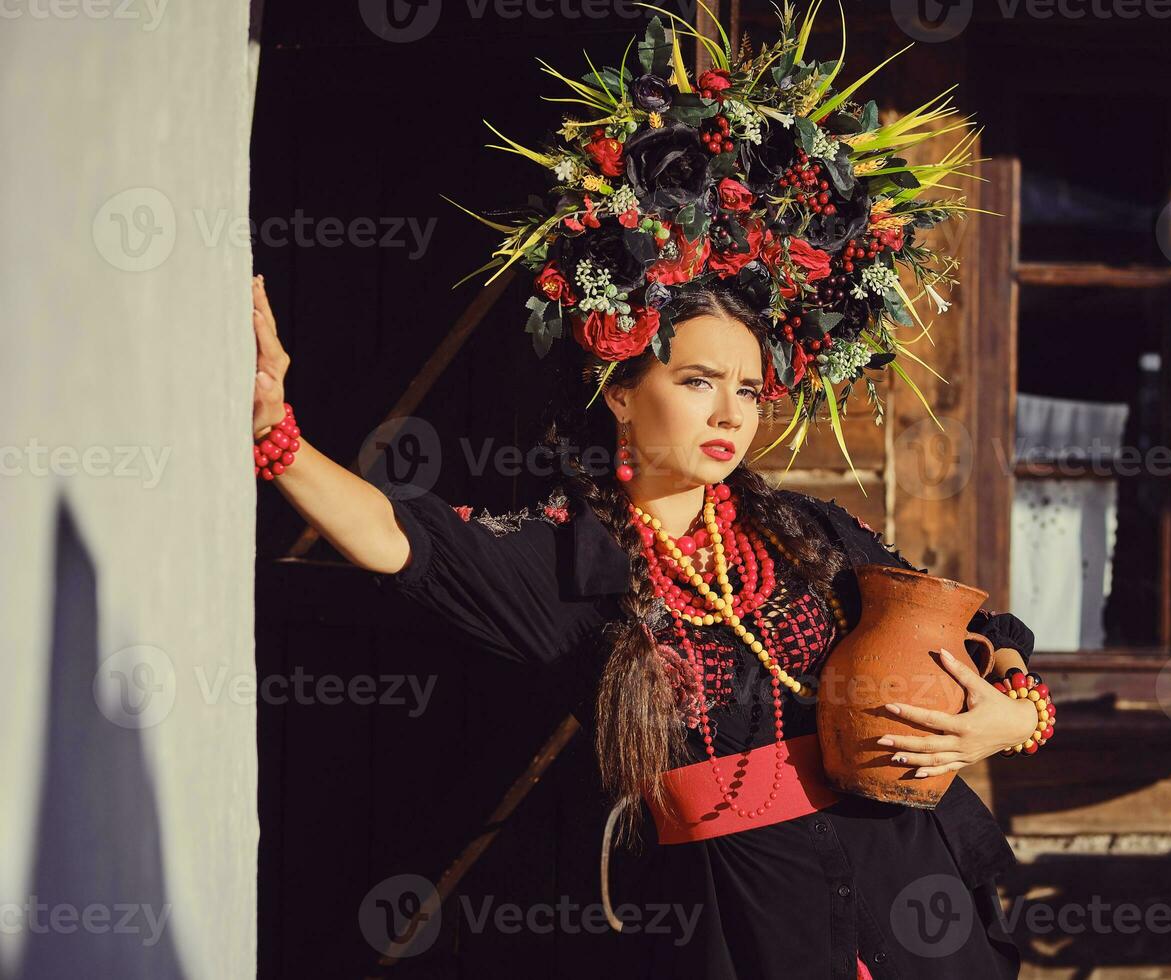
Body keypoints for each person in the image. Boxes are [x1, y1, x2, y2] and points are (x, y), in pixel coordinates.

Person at [248, 7, 1058, 975]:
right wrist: (275, 435)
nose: (732, 413)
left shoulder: (807, 533)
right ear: (623, 393)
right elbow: (397, 535)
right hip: (743, 924)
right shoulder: (567, 558)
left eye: (750, 388)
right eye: (697, 381)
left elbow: (968, 623)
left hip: (915, 895)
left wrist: (1016, 712)